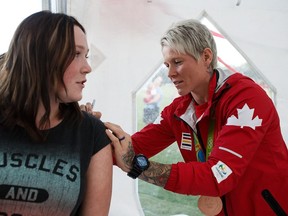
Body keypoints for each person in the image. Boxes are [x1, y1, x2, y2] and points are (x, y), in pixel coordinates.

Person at [104, 19, 288, 216]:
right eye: (167, 64)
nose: (170, 73)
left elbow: (217, 176)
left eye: (178, 62)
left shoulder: (247, 99)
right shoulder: (178, 110)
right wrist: (84, 126)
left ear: (206, 56)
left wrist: (142, 168)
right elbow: (131, 148)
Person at [0, 11, 112, 215]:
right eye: (76, 54)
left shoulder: (92, 134)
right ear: (41, 57)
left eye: (85, 56)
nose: (87, 67)